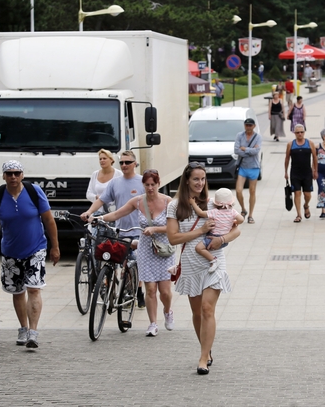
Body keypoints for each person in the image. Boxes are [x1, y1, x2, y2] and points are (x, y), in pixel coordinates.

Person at [0, 160, 60, 348]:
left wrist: (55, 247)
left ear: (22, 175)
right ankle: (23, 328)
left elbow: (49, 220)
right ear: (3, 176)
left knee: (34, 288)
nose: (13, 177)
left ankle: (33, 332)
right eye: (9, 173)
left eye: (16, 173)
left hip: (36, 248)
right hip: (11, 252)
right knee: (17, 291)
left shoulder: (34, 192)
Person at [166, 162, 240, 375]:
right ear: (187, 180)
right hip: (190, 261)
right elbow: (173, 238)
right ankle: (207, 350)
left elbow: (237, 230)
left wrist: (222, 239)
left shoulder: (214, 203)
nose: (200, 183)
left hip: (213, 260)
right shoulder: (175, 206)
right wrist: (200, 232)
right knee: (197, 312)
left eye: (203, 179)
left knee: (207, 308)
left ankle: (202, 358)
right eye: (196, 179)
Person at [93, 169, 174, 337]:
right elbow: (116, 214)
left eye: (153, 184)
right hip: (146, 249)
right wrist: (96, 217)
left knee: (165, 292)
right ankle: (153, 323)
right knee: (150, 289)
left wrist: (155, 228)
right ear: (143, 185)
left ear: (159, 184)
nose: (150, 188)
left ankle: (167, 311)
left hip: (164, 249)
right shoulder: (137, 202)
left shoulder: (169, 202)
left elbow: (175, 227)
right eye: (147, 184)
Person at [82, 150, 146, 308]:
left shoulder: (142, 182)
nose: (124, 165)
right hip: (121, 230)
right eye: (122, 163)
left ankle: (138, 291)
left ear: (135, 164)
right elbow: (102, 200)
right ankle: (120, 289)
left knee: (135, 262)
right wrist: (89, 212)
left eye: (127, 162)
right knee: (120, 262)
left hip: (138, 230)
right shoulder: (115, 183)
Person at [190, 188, 244, 272]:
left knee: (199, 248)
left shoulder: (214, 212)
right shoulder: (232, 212)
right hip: (224, 240)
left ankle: (214, 260)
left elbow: (200, 213)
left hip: (213, 238)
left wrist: (193, 203)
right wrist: (234, 222)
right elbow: (241, 219)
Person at [284, 124, 317, 223]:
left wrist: (314, 170)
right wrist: (285, 171)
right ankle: (298, 214)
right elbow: (287, 158)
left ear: (304, 132)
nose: (300, 134)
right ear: (294, 133)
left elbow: (315, 157)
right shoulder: (290, 144)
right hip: (295, 172)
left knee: (307, 194)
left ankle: (306, 205)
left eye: (301, 132)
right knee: (297, 193)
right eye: (297, 132)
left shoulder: (310, 143)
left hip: (307, 172)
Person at [234, 118, 262, 224]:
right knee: (238, 190)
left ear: (254, 126)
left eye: (250, 125)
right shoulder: (239, 135)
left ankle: (250, 215)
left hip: (254, 167)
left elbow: (257, 151)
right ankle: (243, 208)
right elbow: (236, 150)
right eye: (247, 125)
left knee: (252, 191)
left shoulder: (258, 137)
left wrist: (244, 149)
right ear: (244, 125)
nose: (248, 127)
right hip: (242, 166)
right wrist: (250, 150)